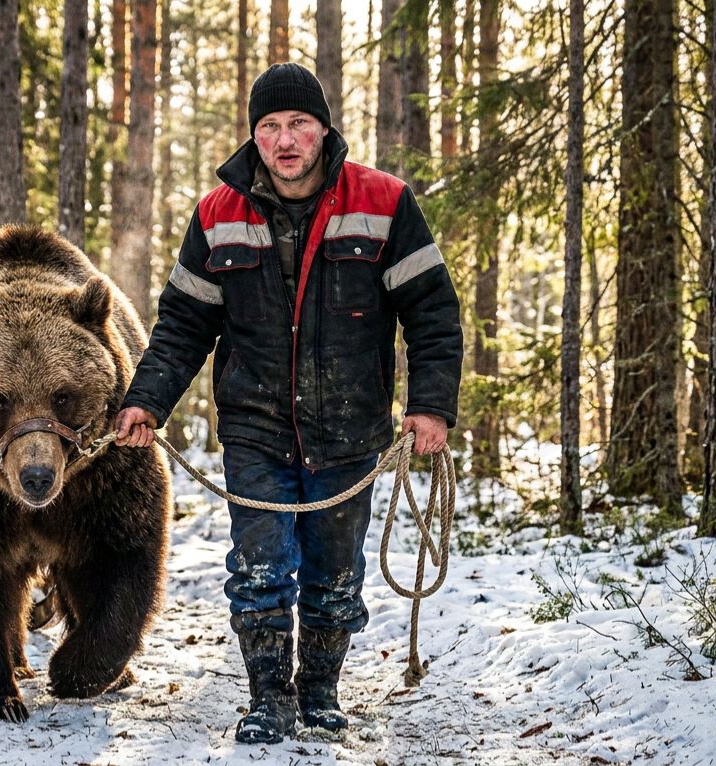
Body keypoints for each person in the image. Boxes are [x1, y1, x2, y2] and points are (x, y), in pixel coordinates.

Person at [113, 62, 463, 744]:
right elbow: (184, 324)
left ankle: (321, 693)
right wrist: (146, 401)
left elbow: (432, 313)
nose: (284, 138)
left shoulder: (384, 202)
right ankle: (268, 698)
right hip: (254, 429)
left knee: (335, 573)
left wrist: (431, 406)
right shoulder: (217, 214)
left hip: (349, 429)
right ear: (253, 136)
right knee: (259, 567)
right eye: (269, 126)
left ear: (324, 128)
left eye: (298, 123)